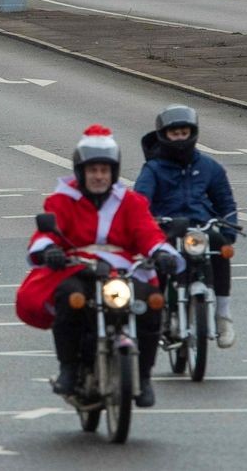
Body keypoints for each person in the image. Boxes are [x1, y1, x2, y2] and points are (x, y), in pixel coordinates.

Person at [16, 124, 175, 409]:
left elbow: (148, 233)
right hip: (78, 269)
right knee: (70, 298)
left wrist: (161, 253)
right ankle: (69, 368)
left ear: (113, 172)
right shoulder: (62, 200)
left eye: (104, 170)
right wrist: (50, 250)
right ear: (82, 172)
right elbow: (47, 232)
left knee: (153, 302)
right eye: (93, 170)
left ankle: (144, 376)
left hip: (123, 273)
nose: (99, 176)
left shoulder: (132, 202)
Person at [134, 104, 239, 348]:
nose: (180, 138)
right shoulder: (153, 169)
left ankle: (223, 315)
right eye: (174, 133)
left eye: (184, 132)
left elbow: (226, 202)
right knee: (158, 259)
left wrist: (229, 228)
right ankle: (159, 311)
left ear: (193, 133)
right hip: (166, 229)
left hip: (200, 229)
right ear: (164, 135)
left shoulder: (209, 167)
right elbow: (140, 202)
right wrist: (148, 224)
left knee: (220, 248)